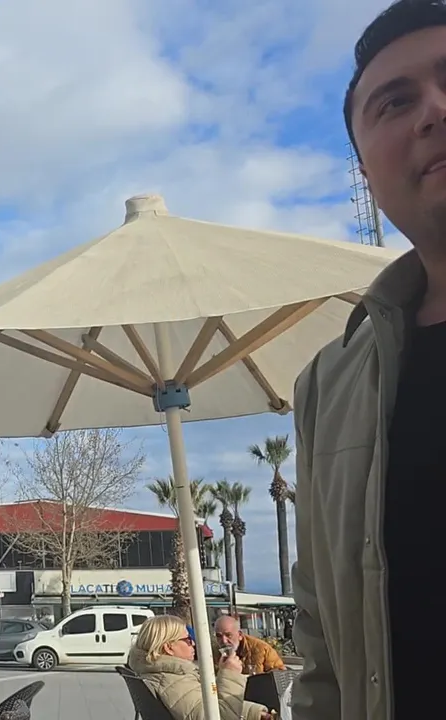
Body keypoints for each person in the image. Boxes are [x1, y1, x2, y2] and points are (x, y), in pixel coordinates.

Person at [293, 1, 446, 719]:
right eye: (396, 102)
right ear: (364, 169)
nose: (434, 111)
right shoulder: (330, 385)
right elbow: (321, 643)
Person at [126, 615, 272, 720]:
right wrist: (230, 674)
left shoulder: (168, 674)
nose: (193, 643)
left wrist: (256, 713)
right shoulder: (172, 682)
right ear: (169, 648)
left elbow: (208, 704)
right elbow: (219, 716)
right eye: (187, 640)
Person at [212, 616, 286, 675]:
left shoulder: (261, 648)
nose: (224, 641)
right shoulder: (212, 652)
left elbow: (280, 673)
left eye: (228, 635)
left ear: (240, 635)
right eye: (219, 636)